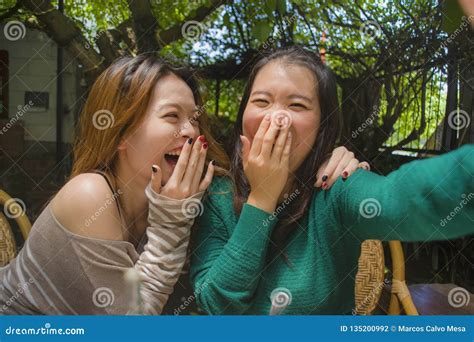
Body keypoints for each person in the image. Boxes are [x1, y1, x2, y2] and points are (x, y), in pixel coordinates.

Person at [0, 54, 363, 315]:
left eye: (193, 118)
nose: (191, 131)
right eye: (172, 116)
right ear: (121, 133)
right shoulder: (89, 195)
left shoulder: (195, 193)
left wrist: (328, 157)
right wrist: (171, 222)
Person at [190, 45, 474, 315]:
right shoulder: (217, 193)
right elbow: (217, 306)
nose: (276, 118)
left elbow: (400, 199)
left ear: (322, 127)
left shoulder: (337, 187)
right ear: (243, 116)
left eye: (297, 105)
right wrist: (262, 199)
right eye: (262, 101)